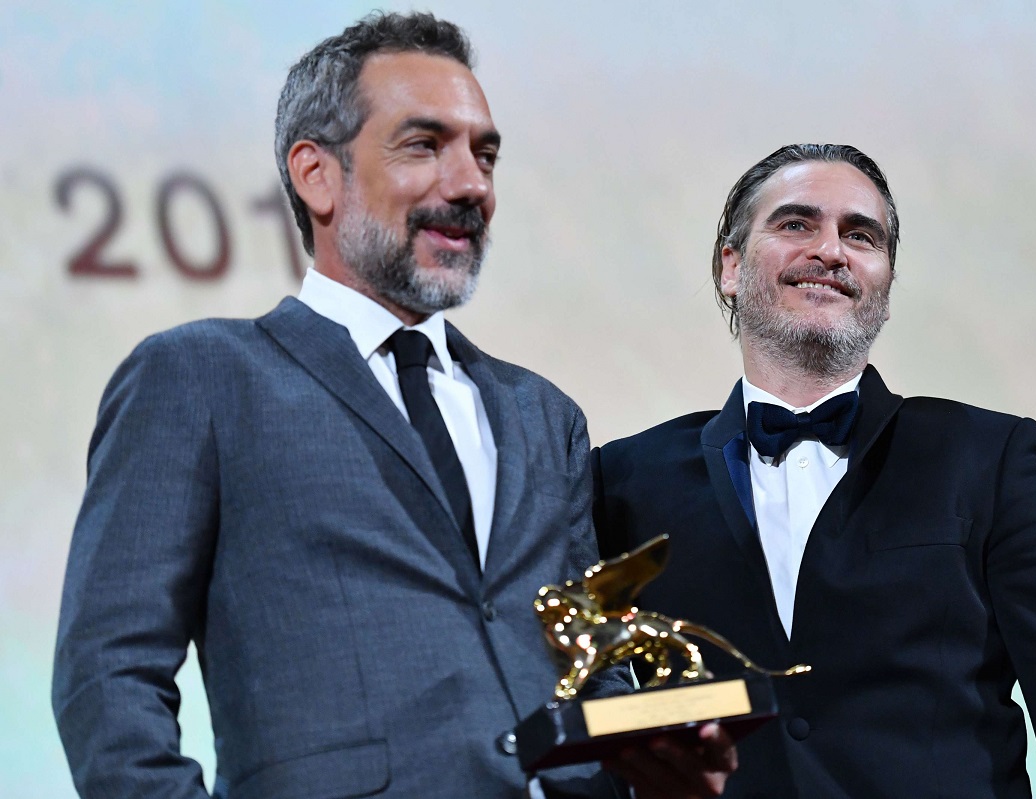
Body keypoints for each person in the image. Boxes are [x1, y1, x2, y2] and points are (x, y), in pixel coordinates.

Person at [52, 13, 732, 799]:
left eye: (484, 155)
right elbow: (106, 673)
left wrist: (656, 767)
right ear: (316, 175)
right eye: (424, 145)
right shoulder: (201, 376)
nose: (472, 184)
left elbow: (590, 661)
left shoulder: (544, 415)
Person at [591, 144, 1036, 798]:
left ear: (886, 287)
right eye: (796, 224)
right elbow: (585, 708)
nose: (830, 250)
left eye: (860, 235)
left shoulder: (989, 457)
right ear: (731, 266)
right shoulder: (624, 478)